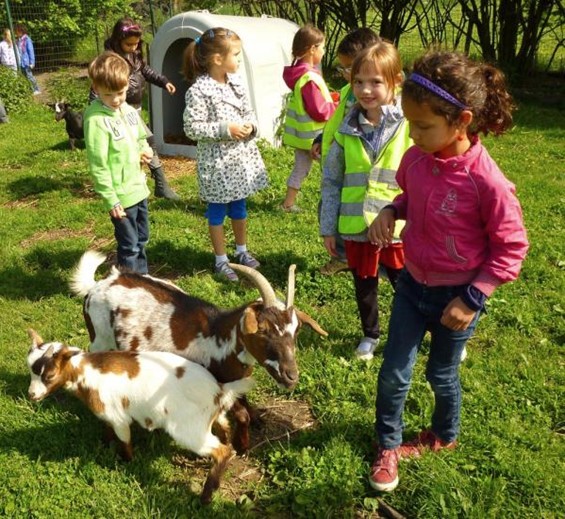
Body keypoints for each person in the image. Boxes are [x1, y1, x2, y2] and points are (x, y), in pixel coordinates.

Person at [367, 50, 529, 492]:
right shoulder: (417, 160)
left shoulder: (488, 182)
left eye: (422, 126)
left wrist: (473, 298)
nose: (413, 135)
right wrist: (389, 209)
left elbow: (512, 247)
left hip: (456, 298)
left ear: (461, 120)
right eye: (410, 124)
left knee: (442, 373)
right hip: (410, 286)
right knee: (393, 372)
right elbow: (409, 199)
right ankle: (388, 444)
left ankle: (444, 436)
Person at [320, 42, 411, 361]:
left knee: (408, 284)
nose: (365, 89)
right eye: (358, 81)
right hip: (355, 224)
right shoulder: (346, 129)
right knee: (365, 283)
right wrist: (328, 226)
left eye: (375, 82)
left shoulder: (411, 124)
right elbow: (331, 180)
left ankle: (428, 329)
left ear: (396, 81)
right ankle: (370, 334)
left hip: (398, 227)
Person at [182, 28, 268, 282]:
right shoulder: (199, 91)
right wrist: (225, 129)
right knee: (217, 211)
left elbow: (249, 113)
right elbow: (191, 127)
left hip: (239, 161)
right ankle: (221, 260)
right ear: (218, 59)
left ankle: (241, 251)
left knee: (240, 207)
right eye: (236, 55)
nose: (239, 60)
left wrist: (251, 127)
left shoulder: (237, 83)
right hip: (217, 164)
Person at [313, 27, 382, 276]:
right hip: (339, 163)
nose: (344, 74)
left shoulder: (372, 97)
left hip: (355, 170)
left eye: (348, 68)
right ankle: (346, 254)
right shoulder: (347, 91)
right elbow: (339, 122)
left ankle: (349, 256)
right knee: (330, 209)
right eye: (343, 69)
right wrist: (323, 137)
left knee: (350, 214)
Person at [93, 17, 179, 200]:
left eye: (136, 43)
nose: (133, 47)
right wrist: (93, 110)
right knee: (148, 140)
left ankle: (141, 183)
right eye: (128, 44)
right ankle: (160, 184)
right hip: (121, 109)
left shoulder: (134, 55)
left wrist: (163, 81)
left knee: (139, 145)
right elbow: (99, 85)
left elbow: (145, 71)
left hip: (135, 108)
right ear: (118, 40)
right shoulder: (110, 60)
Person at [84, 51, 154, 275]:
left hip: (138, 188)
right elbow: (98, 164)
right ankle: (128, 288)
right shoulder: (96, 120)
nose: (116, 100)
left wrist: (144, 150)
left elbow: (141, 136)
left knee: (142, 238)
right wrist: (110, 198)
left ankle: (142, 281)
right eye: (108, 95)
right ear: (96, 89)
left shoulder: (129, 110)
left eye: (121, 93)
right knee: (129, 245)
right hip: (120, 196)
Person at [281, 24, 336, 212]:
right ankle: (332, 203)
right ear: (312, 49)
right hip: (315, 137)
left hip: (302, 137)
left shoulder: (298, 74)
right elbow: (319, 110)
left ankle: (288, 203)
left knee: (301, 168)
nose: (324, 51)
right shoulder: (309, 78)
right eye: (322, 47)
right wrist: (334, 107)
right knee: (332, 168)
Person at [14, 23, 40, 94]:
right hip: (21, 62)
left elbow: (31, 51)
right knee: (25, 76)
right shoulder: (19, 39)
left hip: (27, 62)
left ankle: (36, 89)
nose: (15, 33)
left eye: (16, 31)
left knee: (30, 76)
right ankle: (30, 89)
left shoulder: (27, 39)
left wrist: (32, 62)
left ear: (21, 31)